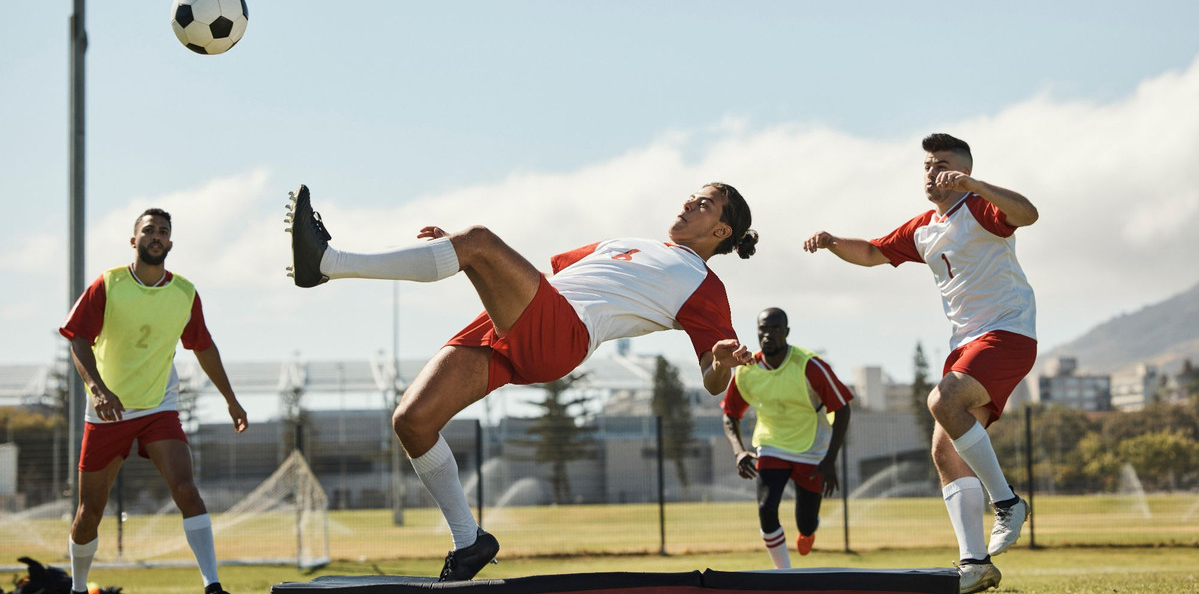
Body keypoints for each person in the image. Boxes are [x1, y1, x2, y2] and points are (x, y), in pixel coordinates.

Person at [287, 182, 759, 581]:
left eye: (704, 204)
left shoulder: (704, 285)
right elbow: (542, 279)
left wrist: (720, 360)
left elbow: (713, 382)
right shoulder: (624, 242)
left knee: (479, 239)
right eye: (692, 196)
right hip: (524, 318)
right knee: (412, 422)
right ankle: (469, 541)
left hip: (561, 337)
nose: (688, 203)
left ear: (721, 232)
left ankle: (326, 262)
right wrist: (450, 253)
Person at [803, 133, 1037, 594]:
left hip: (1007, 334)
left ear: (963, 170)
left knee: (942, 399)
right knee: (945, 451)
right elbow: (871, 253)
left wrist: (976, 184)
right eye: (928, 165)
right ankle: (975, 564)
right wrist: (831, 241)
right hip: (967, 346)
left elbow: (1028, 214)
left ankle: (1008, 503)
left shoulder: (981, 208)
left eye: (943, 164)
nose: (933, 171)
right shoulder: (924, 227)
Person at [60, 208, 248, 594]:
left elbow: (204, 346)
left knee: (185, 487)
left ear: (171, 243)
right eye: (148, 231)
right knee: (89, 513)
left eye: (163, 231)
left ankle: (212, 585)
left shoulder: (184, 293)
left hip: (158, 405)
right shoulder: (108, 284)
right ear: (134, 241)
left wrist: (231, 399)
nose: (156, 236)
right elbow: (78, 337)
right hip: (107, 411)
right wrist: (98, 389)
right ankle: (78, 589)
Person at [721, 307, 852, 568]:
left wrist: (830, 460)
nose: (768, 335)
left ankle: (807, 531)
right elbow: (729, 415)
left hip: (812, 449)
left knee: (806, 520)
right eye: (763, 330)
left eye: (775, 329)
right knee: (766, 509)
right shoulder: (747, 370)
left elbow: (843, 409)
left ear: (787, 332)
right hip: (771, 446)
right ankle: (784, 574)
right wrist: (739, 451)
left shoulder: (809, 365)